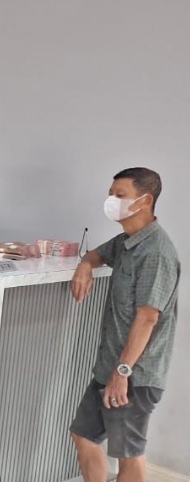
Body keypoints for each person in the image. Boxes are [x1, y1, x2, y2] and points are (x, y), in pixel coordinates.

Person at [69, 167, 180, 482]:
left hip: (133, 375)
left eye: (120, 195)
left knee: (127, 453)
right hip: (110, 368)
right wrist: (85, 265)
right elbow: (97, 254)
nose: (111, 201)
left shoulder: (156, 253)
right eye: (111, 194)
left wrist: (122, 373)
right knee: (83, 435)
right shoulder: (127, 242)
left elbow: (148, 317)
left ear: (145, 201)